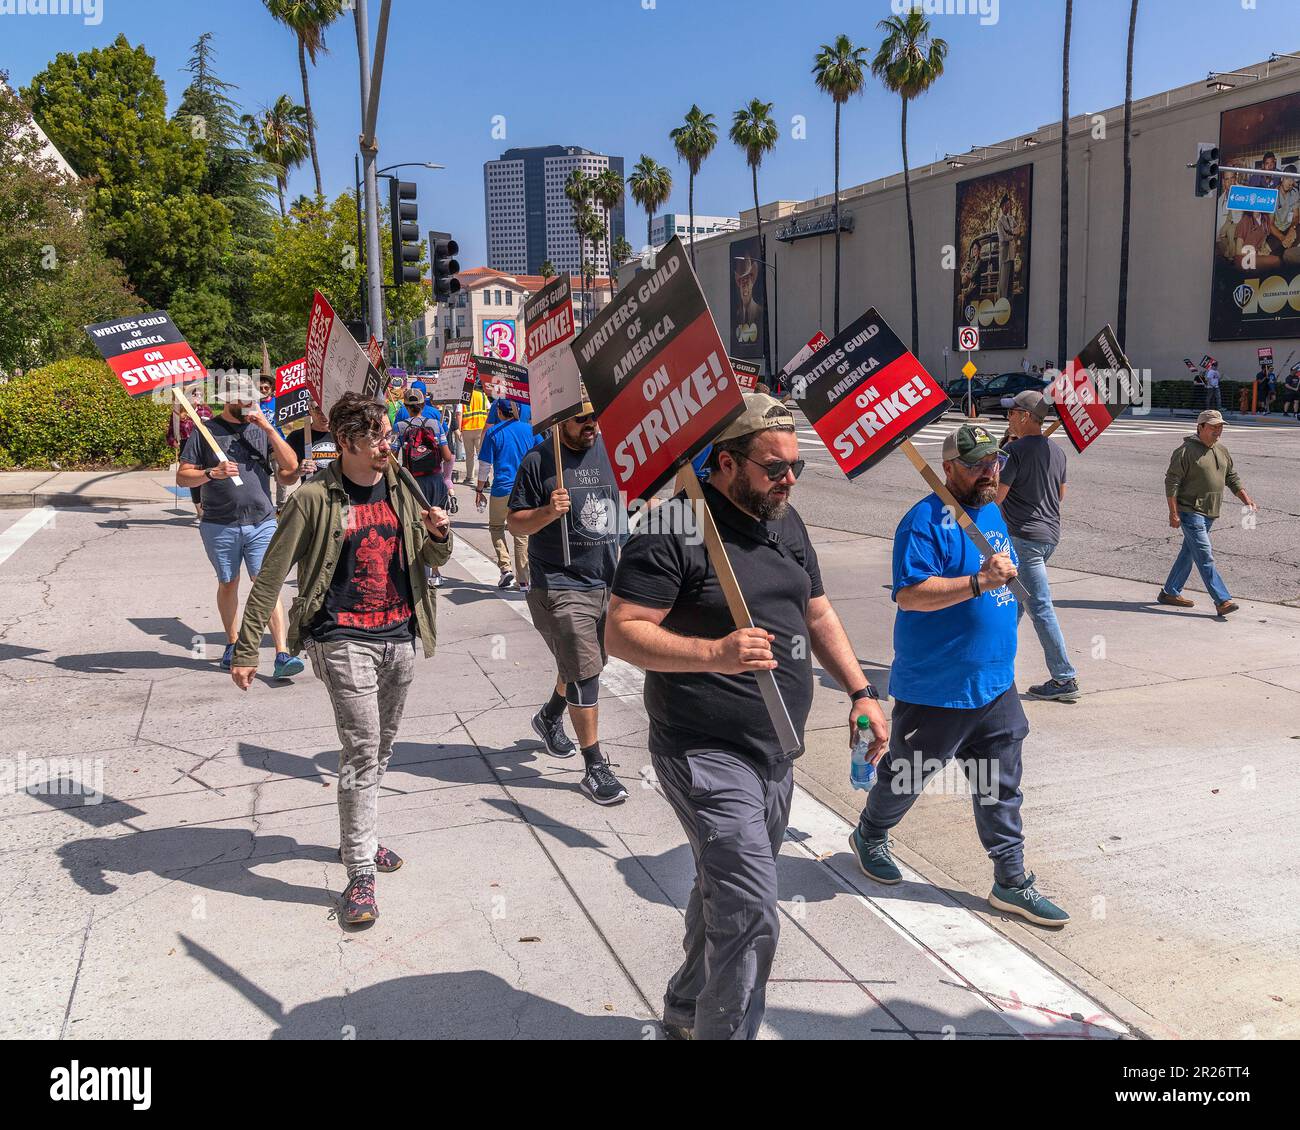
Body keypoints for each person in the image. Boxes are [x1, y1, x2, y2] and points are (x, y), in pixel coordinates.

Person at [607, 394, 889, 1040]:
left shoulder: (785, 523)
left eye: (796, 467)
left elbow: (817, 613)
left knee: (727, 890)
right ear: (725, 464)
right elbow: (620, 634)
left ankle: (684, 1006)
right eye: (774, 468)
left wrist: (861, 692)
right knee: (753, 906)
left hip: (775, 753)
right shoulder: (673, 525)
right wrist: (716, 652)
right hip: (703, 750)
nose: (788, 479)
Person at [230, 392, 453, 926]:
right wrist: (246, 646)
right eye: (377, 437)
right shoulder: (312, 498)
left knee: (380, 752)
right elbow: (270, 574)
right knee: (359, 751)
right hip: (341, 636)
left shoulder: (402, 486)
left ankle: (363, 835)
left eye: (387, 435)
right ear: (348, 442)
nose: (387, 444)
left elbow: (428, 558)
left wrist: (439, 535)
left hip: (400, 633)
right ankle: (360, 874)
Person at [850, 423, 1070, 930]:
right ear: (947, 469)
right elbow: (909, 594)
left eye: (993, 461)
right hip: (937, 689)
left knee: (1000, 786)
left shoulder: (991, 510)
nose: (989, 471)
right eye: (975, 464)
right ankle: (870, 833)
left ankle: (1010, 881)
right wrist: (978, 582)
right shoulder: (923, 521)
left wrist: (1001, 579)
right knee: (907, 776)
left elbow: (1001, 570)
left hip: (995, 684)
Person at [507, 394, 626, 805]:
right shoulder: (539, 461)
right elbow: (513, 520)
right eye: (581, 420)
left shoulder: (609, 451)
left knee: (587, 663)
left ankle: (549, 716)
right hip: (557, 583)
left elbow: (623, 503)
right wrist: (546, 512)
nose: (591, 425)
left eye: (595, 417)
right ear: (559, 423)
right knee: (583, 671)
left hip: (605, 579)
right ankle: (594, 767)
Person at [176, 376, 303, 678]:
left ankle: (282, 653)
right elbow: (183, 477)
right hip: (220, 524)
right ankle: (233, 643)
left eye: (253, 398)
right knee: (229, 583)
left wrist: (270, 429)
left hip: (261, 521)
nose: (250, 404)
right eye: (244, 399)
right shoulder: (206, 432)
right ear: (229, 400)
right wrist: (211, 473)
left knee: (266, 584)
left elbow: (291, 467)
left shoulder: (261, 430)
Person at [996, 391, 1077, 702]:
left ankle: (1064, 677)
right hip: (1048, 538)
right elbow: (1060, 495)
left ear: (1026, 416)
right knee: (1012, 605)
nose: (1009, 417)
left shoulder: (1014, 452)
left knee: (1039, 607)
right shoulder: (1057, 452)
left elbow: (997, 497)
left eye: (1013, 412)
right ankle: (997, 667)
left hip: (1023, 540)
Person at [1158, 409, 1257, 617]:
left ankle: (1169, 592)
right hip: (1190, 511)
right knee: (1205, 555)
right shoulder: (1185, 451)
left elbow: (1231, 477)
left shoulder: (1221, 449)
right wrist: (1173, 513)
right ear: (1200, 427)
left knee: (1189, 553)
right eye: (1213, 427)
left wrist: (1246, 498)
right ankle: (1222, 600)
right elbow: (1172, 482)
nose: (1217, 431)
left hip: (1210, 511)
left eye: (1220, 427)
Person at [476, 399, 540, 590]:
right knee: (521, 534)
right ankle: (523, 579)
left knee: (496, 527)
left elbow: (485, 466)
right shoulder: (530, 429)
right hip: (525, 489)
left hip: (502, 489)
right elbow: (543, 454)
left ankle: (505, 569)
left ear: (499, 412)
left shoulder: (493, 432)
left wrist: (479, 490)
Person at [166, 384, 212, 518]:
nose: (197, 396)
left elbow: (215, 429)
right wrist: (172, 440)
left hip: (204, 445)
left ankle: (207, 506)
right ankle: (200, 511)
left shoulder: (206, 411)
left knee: (206, 477)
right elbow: (170, 433)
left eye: (198, 393)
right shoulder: (178, 413)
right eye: (193, 393)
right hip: (187, 446)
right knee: (193, 479)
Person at [258, 372, 290, 513]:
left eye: (266, 387)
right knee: (260, 478)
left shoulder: (278, 402)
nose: (264, 390)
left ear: (271, 388)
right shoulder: (252, 403)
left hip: (277, 444)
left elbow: (289, 425)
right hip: (258, 445)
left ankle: (281, 507)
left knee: (281, 477)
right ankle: (266, 505)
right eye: (261, 388)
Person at [287, 403, 340, 481]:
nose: (324, 414)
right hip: (311, 491)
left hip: (340, 491)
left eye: (328, 407)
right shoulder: (296, 437)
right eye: (318, 409)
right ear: (310, 410)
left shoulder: (344, 435)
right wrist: (298, 472)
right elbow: (283, 477)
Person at [461, 381, 489, 486]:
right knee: (482, 455)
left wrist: (459, 429)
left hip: (467, 429)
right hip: (481, 429)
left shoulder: (464, 397)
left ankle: (470, 477)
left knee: (469, 455)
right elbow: (489, 410)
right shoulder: (482, 396)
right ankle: (485, 478)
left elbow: (459, 414)